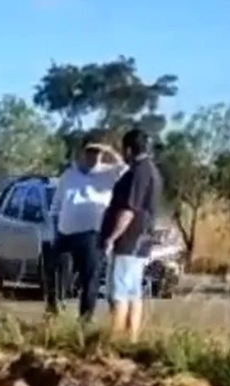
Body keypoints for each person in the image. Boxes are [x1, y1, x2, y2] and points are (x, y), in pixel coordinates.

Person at [47, 136, 125, 321]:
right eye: (90, 152)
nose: (94, 156)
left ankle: (85, 319)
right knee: (59, 277)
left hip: (93, 235)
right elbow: (56, 206)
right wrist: (54, 231)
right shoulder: (69, 175)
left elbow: (125, 169)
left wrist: (110, 151)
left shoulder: (109, 173)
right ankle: (54, 313)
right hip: (66, 234)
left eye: (97, 152)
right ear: (82, 153)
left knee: (90, 280)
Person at [100, 127, 162, 342]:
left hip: (129, 240)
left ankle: (115, 339)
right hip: (142, 240)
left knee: (118, 292)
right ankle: (132, 339)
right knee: (133, 292)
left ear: (128, 149)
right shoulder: (152, 170)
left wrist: (112, 237)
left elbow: (128, 210)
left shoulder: (137, 173)